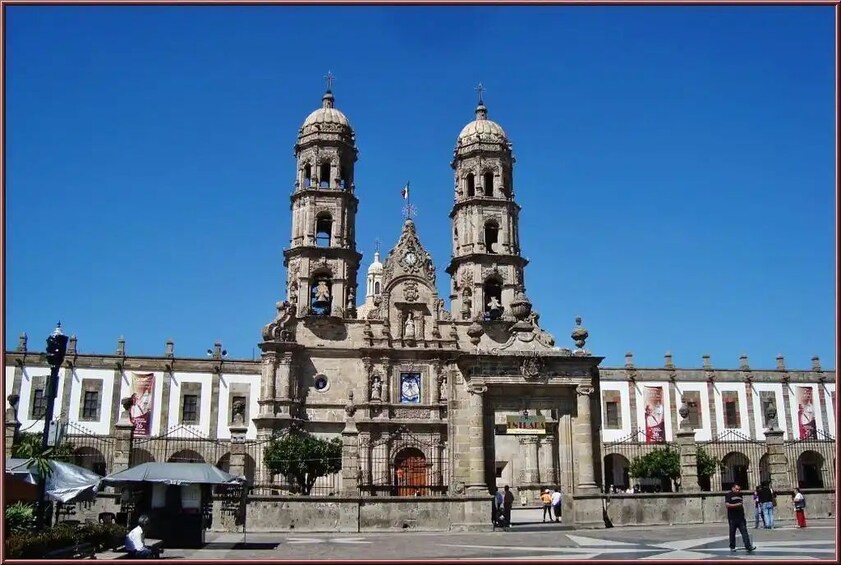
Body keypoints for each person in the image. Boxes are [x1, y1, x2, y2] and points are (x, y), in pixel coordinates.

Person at [724, 484, 756, 553]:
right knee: (732, 533)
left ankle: (748, 546)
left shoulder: (740, 495)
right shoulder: (729, 495)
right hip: (732, 518)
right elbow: (727, 505)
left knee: (744, 532)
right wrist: (737, 505)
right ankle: (732, 546)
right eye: (737, 489)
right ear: (733, 488)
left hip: (741, 518)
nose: (738, 490)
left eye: (739, 489)